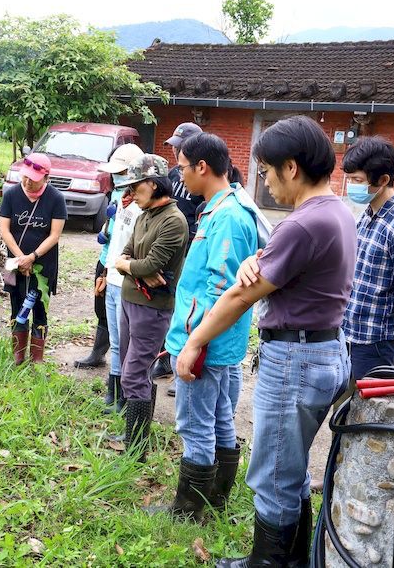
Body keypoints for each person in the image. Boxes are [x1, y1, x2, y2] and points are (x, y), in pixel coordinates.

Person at [176, 116, 355, 566]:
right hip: (322, 348)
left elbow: (239, 296)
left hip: (295, 357)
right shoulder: (335, 212)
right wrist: (255, 259)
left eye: (268, 170)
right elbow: (274, 267)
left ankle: (267, 562)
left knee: (273, 471)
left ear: (291, 168)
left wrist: (194, 341)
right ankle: (293, 560)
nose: (265, 181)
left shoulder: (303, 224)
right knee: (290, 468)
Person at [158, 132, 258, 521]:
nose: (178, 175)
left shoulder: (229, 217)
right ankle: (214, 502)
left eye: (181, 167)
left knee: (195, 424)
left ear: (202, 167)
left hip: (208, 342)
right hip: (215, 341)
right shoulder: (218, 209)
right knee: (218, 420)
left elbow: (221, 290)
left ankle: (187, 511)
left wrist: (193, 342)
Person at [113, 154, 188, 462]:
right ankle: (134, 435)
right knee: (133, 371)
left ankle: (137, 448)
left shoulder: (174, 220)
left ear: (153, 184)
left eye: (137, 185)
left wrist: (130, 265)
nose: (131, 192)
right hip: (131, 299)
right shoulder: (144, 214)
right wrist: (130, 266)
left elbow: (153, 264)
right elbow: (127, 256)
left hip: (152, 308)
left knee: (133, 374)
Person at [341, 136, 394, 378]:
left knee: (363, 413)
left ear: (384, 180)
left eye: (357, 180)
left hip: (376, 343)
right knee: (343, 410)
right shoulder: (366, 216)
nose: (351, 186)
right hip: (350, 333)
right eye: (349, 179)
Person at [73, 148, 144, 369]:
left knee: (124, 321)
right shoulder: (117, 194)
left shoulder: (139, 202)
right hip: (107, 259)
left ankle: (119, 366)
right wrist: (106, 232)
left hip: (125, 266)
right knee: (101, 307)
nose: (116, 175)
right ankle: (99, 352)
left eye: (121, 171)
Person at [148, 123, 206, 382]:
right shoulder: (173, 174)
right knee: (167, 299)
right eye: (173, 146)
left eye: (179, 147)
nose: (175, 151)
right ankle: (166, 356)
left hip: (192, 246)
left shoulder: (203, 178)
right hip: (168, 246)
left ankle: (184, 361)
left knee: (187, 302)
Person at [0, 153, 67, 364]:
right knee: (17, 305)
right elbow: (5, 230)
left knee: (39, 308)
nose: (28, 182)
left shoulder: (56, 198)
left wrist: (34, 256)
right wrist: (21, 258)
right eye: (25, 177)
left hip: (44, 263)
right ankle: (18, 355)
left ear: (46, 177)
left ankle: (37, 359)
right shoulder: (11, 195)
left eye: (34, 179)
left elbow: (54, 235)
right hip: (16, 263)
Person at [98, 144, 145, 411]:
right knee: (116, 342)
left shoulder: (140, 208)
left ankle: (127, 397)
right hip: (113, 279)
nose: (117, 178)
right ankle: (113, 392)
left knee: (128, 344)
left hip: (127, 282)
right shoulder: (121, 200)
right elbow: (114, 244)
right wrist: (104, 271)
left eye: (122, 172)